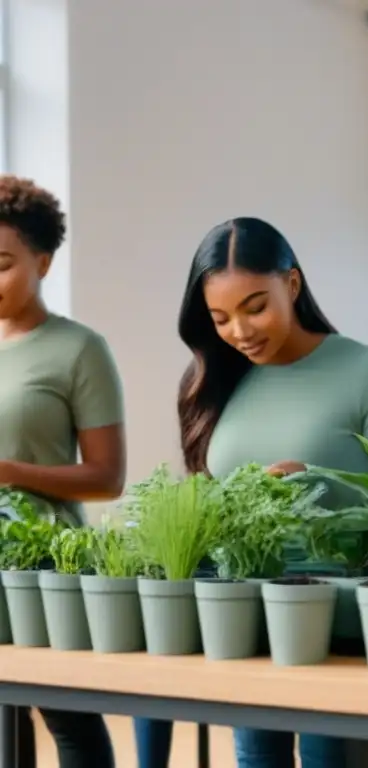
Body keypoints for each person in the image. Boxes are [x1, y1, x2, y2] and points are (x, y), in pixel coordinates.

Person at [134, 216, 368, 768]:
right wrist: (237, 501)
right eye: (221, 317)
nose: (240, 331)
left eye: (256, 307)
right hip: (249, 616)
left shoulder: (366, 370)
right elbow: (200, 509)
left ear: (293, 286)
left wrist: (318, 487)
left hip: (340, 620)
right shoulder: (211, 381)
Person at [0, 175, 123, 767]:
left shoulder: (78, 349)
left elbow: (107, 477)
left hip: (42, 561)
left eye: (2, 262)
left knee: (67, 717)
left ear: (43, 262)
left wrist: (9, 472)